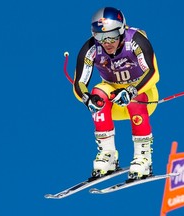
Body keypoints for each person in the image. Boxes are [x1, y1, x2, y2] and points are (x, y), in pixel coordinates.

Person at [73, 7, 160, 180]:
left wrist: (131, 90)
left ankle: (143, 158)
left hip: (143, 95)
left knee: (135, 100)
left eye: (112, 35)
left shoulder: (135, 40)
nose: (107, 42)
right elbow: (79, 83)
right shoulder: (91, 48)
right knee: (98, 92)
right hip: (114, 101)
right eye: (100, 36)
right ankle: (108, 155)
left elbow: (153, 73)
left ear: (122, 30)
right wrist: (87, 98)